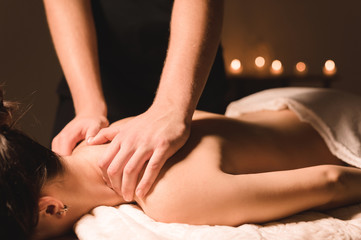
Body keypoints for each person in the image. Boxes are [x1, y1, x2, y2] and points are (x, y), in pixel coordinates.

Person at [2, 87, 361, 240]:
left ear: (50, 209)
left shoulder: (169, 195)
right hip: (276, 108)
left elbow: (332, 180)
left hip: (339, 126)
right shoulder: (94, 138)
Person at [43, 0, 228, 202]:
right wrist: (88, 106)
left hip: (187, 65)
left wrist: (172, 107)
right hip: (95, 71)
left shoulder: (170, 197)